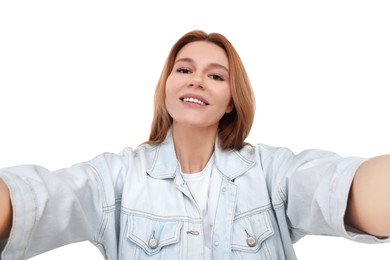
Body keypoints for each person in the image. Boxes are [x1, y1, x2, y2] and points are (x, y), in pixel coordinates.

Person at [0, 29, 389, 260]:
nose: (196, 80)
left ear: (231, 100)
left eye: (215, 76)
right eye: (184, 69)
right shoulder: (116, 178)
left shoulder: (272, 174)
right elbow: (42, 199)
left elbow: (338, 186)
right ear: (167, 86)